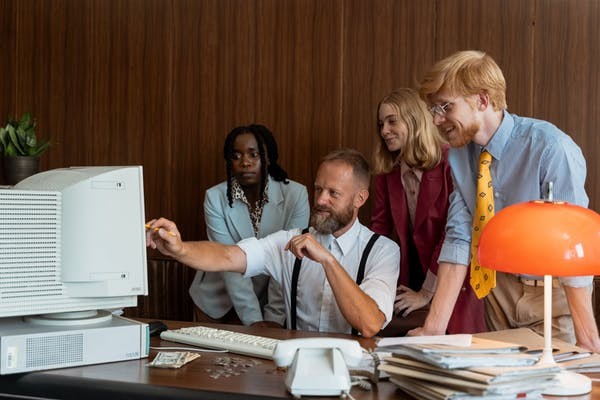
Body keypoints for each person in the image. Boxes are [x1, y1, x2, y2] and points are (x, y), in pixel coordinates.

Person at [409, 50, 600, 352]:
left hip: (547, 294)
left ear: (482, 100)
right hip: (497, 291)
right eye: (434, 109)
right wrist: (433, 329)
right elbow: (460, 235)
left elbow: (572, 243)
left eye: (445, 106)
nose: (436, 119)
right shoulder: (460, 154)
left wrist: (587, 338)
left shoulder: (550, 148)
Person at [148, 149, 400, 338]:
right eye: (318, 189)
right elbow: (228, 256)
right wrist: (180, 249)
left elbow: (369, 324)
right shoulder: (290, 240)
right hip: (294, 370)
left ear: (360, 198)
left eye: (333, 193)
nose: (321, 200)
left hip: (354, 376)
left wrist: (327, 260)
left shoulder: (383, 251)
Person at [372, 88, 485, 336]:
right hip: (409, 279)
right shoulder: (387, 172)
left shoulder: (450, 162)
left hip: (453, 279)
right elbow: (379, 231)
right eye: (381, 124)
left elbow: (452, 233)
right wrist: (373, 285)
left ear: (414, 121)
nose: (384, 131)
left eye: (392, 121)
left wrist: (427, 292)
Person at [189, 124, 310, 327]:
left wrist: (273, 320)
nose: (245, 162)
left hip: (273, 301)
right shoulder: (215, 198)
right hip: (218, 303)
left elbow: (287, 259)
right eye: (236, 156)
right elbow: (227, 262)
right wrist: (255, 321)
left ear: (268, 157)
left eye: (253, 155)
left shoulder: (296, 195)